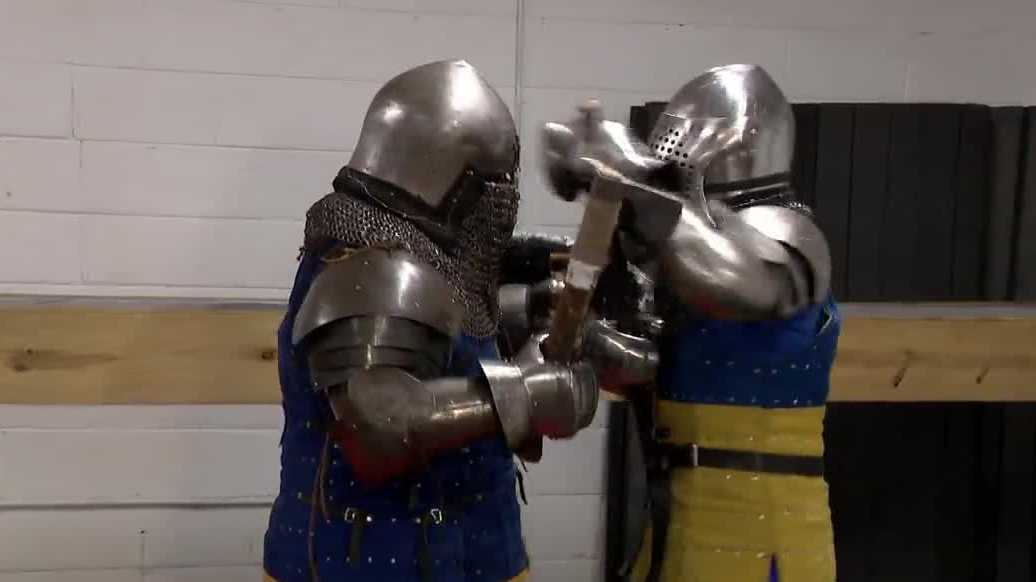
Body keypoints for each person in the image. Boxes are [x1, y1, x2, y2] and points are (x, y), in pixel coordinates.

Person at [263, 59, 599, 582]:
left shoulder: (400, 253)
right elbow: (378, 428)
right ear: (464, 185)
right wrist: (524, 394)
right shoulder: (381, 264)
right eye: (498, 185)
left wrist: (524, 309)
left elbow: (444, 341)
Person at [542, 64, 841, 582]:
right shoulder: (689, 251)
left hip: (760, 530)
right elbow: (640, 366)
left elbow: (738, 281)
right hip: (681, 521)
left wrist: (628, 182)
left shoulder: (788, 236)